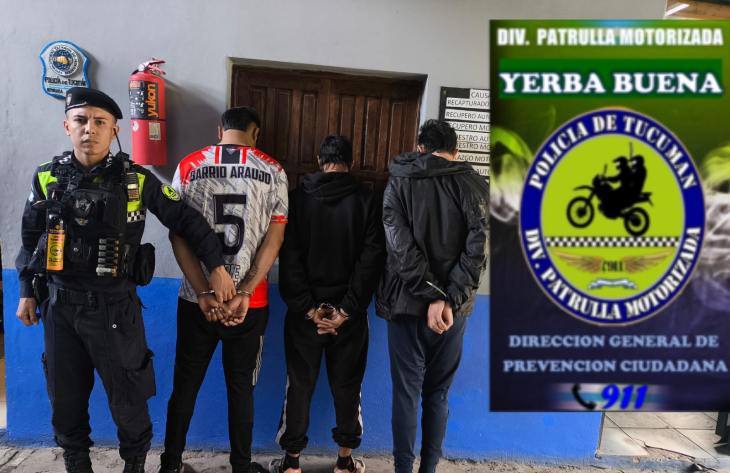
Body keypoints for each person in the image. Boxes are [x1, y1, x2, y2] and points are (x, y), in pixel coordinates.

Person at [14, 87, 235, 473]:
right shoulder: (47, 176)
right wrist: (26, 292)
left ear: (114, 130)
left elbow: (187, 219)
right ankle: (77, 465)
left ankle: (134, 465)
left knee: (129, 401)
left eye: (100, 122)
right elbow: (31, 236)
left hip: (114, 311)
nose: (89, 129)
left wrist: (215, 266)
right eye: (81, 120)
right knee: (64, 402)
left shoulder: (135, 179)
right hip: (60, 307)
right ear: (67, 126)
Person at [159, 106, 288, 473]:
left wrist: (204, 292)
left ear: (220, 131)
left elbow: (177, 235)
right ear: (256, 134)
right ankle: (241, 466)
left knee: (185, 385)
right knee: (241, 387)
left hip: (196, 301)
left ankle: (170, 464)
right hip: (250, 304)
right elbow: (274, 239)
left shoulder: (189, 166)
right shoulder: (274, 171)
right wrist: (244, 291)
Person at [376, 119, 488, 473]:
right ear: (456, 151)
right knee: (437, 394)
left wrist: (430, 295)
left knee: (406, 394)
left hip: (405, 305)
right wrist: (447, 299)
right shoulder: (474, 185)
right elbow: (478, 250)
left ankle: (403, 469)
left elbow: (400, 249)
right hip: (451, 314)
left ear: (420, 148)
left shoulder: (399, 181)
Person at [271, 135, 385, 473]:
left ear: (320, 160)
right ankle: (344, 462)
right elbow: (371, 260)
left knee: (299, 385)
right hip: (349, 318)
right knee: (348, 386)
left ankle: (292, 463)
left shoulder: (297, 199)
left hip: (304, 316)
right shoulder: (367, 201)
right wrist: (345, 310)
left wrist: (309, 309)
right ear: (351, 162)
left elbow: (289, 258)